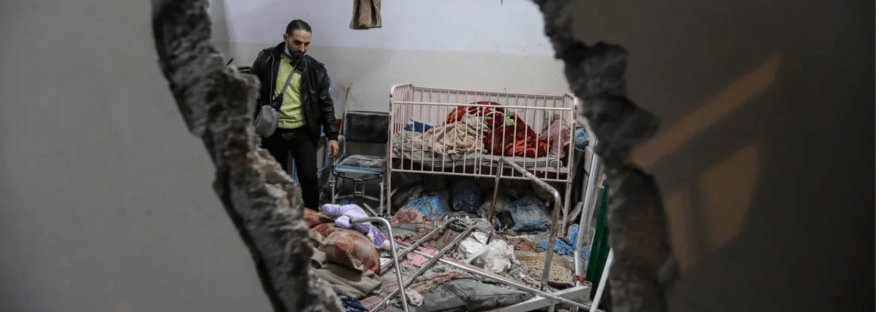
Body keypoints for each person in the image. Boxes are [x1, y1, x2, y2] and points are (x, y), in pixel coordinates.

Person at [250, 19, 340, 209]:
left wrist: (332, 136)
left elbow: (326, 105)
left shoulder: (316, 69)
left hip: (302, 130)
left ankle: (313, 220)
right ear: (286, 38)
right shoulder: (266, 59)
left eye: (307, 43)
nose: (302, 48)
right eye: (297, 42)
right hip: (273, 130)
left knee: (308, 178)